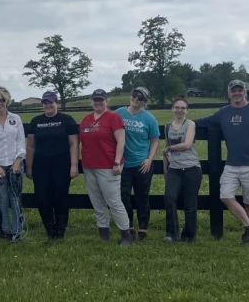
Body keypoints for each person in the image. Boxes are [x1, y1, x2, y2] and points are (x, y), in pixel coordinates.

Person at [192, 80, 249, 244]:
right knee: (225, 195)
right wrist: (184, 123)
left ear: (245, 92)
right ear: (229, 93)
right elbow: (203, 122)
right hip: (232, 164)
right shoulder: (224, 112)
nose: (237, 93)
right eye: (234, 91)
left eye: (240, 90)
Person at [78, 89, 133, 246]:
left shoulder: (113, 117)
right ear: (91, 101)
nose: (98, 102)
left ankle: (126, 234)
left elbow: (121, 141)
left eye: (101, 100)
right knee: (97, 202)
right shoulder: (86, 119)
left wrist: (117, 162)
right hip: (89, 166)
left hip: (108, 166)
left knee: (114, 201)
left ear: (106, 101)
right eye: (95, 100)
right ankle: (103, 233)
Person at [25, 91, 79, 240]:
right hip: (40, 166)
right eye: (45, 103)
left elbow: (74, 143)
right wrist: (28, 167)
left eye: (51, 102)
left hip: (61, 165)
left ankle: (60, 231)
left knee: (61, 197)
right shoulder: (36, 121)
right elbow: (30, 146)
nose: (48, 105)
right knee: (42, 198)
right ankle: (49, 230)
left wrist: (74, 165)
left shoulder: (66, 120)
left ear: (56, 103)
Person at [115, 86, 160, 240]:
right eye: (135, 95)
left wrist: (149, 159)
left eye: (140, 98)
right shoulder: (119, 113)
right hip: (123, 164)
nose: (136, 99)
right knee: (123, 196)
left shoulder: (149, 118)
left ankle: (143, 229)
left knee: (142, 197)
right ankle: (129, 227)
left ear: (144, 102)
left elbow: (154, 140)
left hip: (142, 163)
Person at [0, 86, 27, 240]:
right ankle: (5, 230)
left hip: (16, 165)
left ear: (7, 100)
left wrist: (17, 162)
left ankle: (18, 230)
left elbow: (21, 142)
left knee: (15, 198)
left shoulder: (16, 119)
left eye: (2, 99)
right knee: (2, 199)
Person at [162, 95, 202, 242]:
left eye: (183, 108)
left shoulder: (190, 124)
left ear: (187, 110)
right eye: (177, 107)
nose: (179, 110)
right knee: (169, 199)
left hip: (191, 168)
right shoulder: (167, 127)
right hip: (174, 169)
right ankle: (171, 233)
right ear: (172, 109)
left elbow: (187, 144)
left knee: (190, 203)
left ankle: (188, 236)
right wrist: (166, 171)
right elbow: (165, 152)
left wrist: (170, 148)